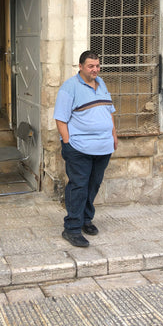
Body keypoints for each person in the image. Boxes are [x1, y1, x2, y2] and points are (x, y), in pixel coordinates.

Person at [54, 51, 118, 247]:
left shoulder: (102, 84)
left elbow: (109, 111)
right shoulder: (69, 87)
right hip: (79, 148)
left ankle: (85, 220)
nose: (95, 70)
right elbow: (60, 118)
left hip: (103, 147)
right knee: (78, 186)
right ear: (80, 67)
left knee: (94, 184)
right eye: (91, 66)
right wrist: (67, 142)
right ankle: (71, 229)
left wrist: (114, 135)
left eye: (97, 66)